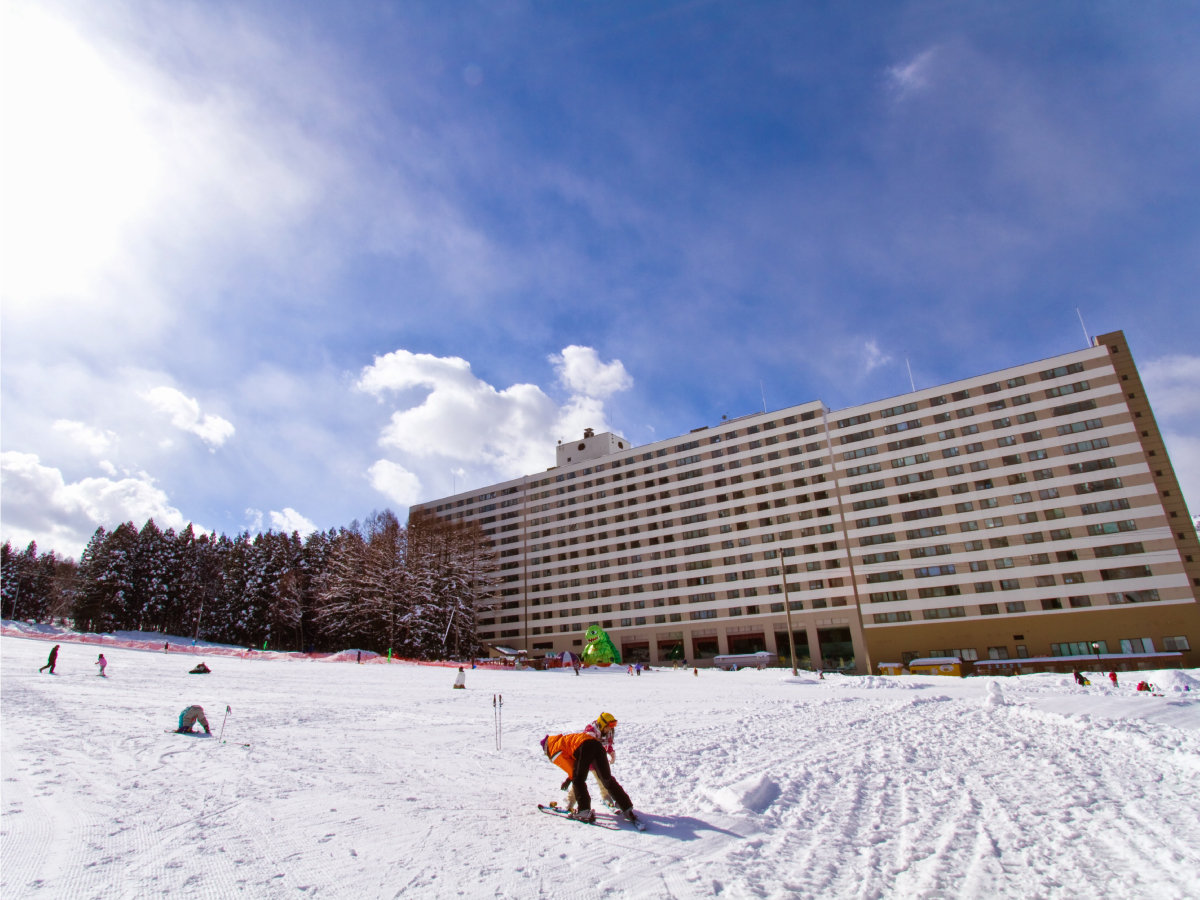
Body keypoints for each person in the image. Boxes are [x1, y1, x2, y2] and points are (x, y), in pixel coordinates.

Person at [541, 713, 637, 825]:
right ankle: (626, 806)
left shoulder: (554, 750)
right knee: (607, 779)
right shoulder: (560, 741)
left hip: (586, 747)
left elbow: (572, 770)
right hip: (598, 747)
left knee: (578, 779)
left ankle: (584, 810)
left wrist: (569, 780)